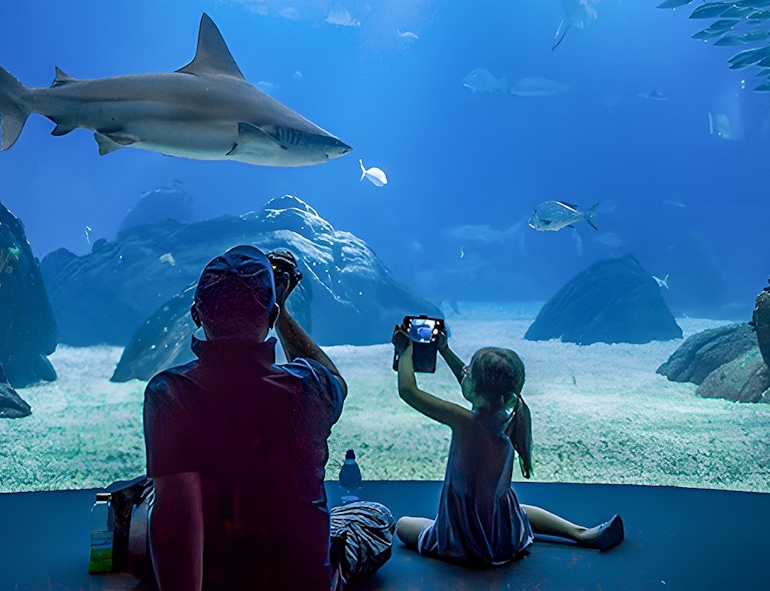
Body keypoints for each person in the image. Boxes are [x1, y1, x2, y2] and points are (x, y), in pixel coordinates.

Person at [142, 245, 393, 591]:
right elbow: (336, 381)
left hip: (216, 576)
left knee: (154, 498)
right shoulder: (308, 387)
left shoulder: (170, 394)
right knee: (373, 516)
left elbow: (175, 517)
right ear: (272, 315)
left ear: (197, 315)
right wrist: (284, 309)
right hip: (301, 581)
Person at [392, 328, 624, 566]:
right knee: (518, 509)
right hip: (504, 535)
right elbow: (473, 383)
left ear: (477, 389)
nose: (465, 371)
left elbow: (408, 391)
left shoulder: (465, 422)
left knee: (403, 525)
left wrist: (405, 352)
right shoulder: (509, 418)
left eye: (470, 371)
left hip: (467, 541)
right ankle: (582, 533)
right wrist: (444, 350)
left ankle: (456, 543)